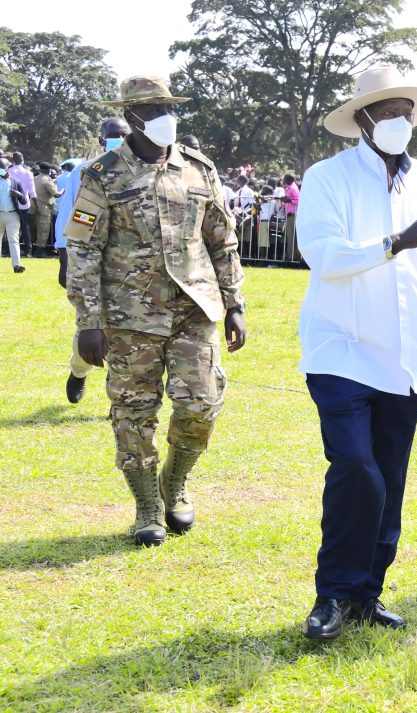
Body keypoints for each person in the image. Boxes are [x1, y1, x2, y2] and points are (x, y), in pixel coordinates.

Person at [296, 66, 417, 639]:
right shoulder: (328, 178)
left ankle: (366, 595)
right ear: (363, 120)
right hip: (342, 350)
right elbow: (323, 255)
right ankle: (332, 595)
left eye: (407, 112)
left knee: (390, 478)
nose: (399, 121)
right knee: (357, 470)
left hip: (406, 356)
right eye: (387, 112)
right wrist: (398, 242)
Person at [64, 74, 245, 547]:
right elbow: (83, 250)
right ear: (131, 117)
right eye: (154, 109)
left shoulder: (199, 169)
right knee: (133, 412)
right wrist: (89, 322)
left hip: (194, 308)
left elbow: (222, 240)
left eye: (169, 107)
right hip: (129, 316)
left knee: (201, 404)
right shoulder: (102, 174)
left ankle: (175, 482)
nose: (166, 117)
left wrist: (234, 303)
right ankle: (147, 505)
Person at [55, 118, 131, 403]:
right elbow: (70, 219)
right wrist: (65, 261)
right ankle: (79, 371)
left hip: (131, 270)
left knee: (127, 336)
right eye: (112, 136)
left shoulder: (144, 168)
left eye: (123, 135)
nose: (118, 140)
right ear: (101, 140)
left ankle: (121, 393)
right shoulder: (87, 171)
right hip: (93, 266)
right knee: (88, 330)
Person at [7, 152, 36, 256]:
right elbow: (32, 192)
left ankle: (8, 250)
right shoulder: (28, 173)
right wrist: (35, 206)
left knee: (10, 228)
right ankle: (28, 251)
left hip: (11, 203)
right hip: (24, 204)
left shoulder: (8, 171)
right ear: (22, 159)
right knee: (25, 227)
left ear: (13, 159)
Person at [0, 160, 26, 273]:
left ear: (7, 167)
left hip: (13, 215)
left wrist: (19, 196)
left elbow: (24, 201)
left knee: (14, 240)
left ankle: (16, 266)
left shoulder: (15, 182)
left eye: (1, 166)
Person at [32, 163, 63, 256]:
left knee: (35, 229)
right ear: (49, 171)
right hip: (44, 208)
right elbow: (56, 194)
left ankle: (33, 249)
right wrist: (62, 190)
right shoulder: (47, 180)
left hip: (33, 206)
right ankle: (40, 250)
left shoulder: (35, 178)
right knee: (44, 230)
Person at [281, 173, 300, 261]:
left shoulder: (293, 188)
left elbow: (298, 200)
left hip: (293, 215)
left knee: (291, 236)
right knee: (290, 236)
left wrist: (289, 200)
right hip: (289, 215)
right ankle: (291, 255)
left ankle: (292, 256)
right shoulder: (290, 188)